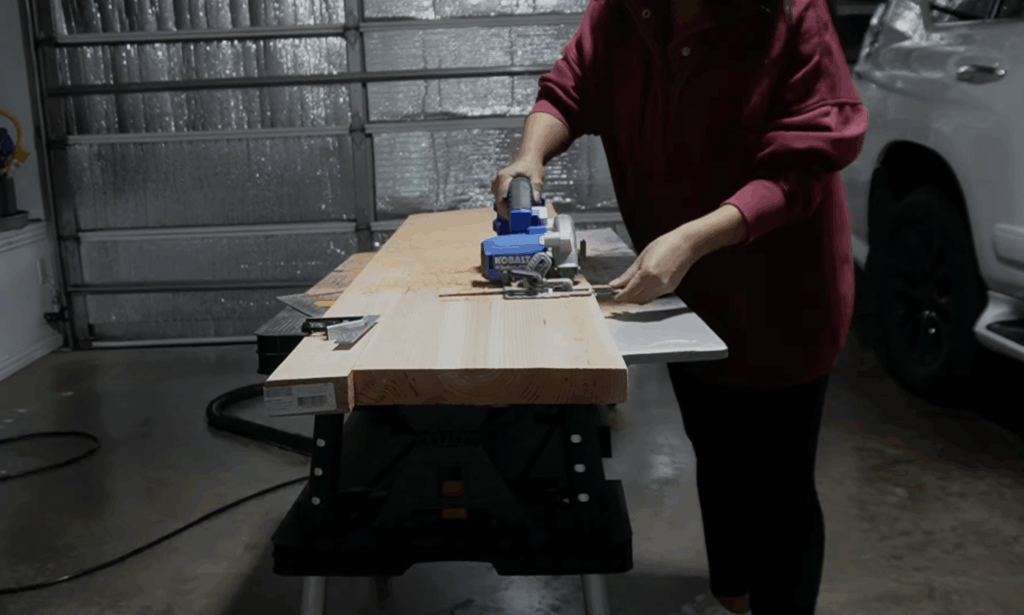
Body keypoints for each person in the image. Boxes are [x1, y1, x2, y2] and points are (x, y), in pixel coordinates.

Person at [490, 0, 868, 613]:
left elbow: (809, 158)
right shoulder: (623, 12)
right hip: (684, 295)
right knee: (716, 453)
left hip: (782, 294)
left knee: (779, 486)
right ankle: (733, 601)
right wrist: (529, 157)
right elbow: (569, 90)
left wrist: (694, 237)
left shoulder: (791, 16)